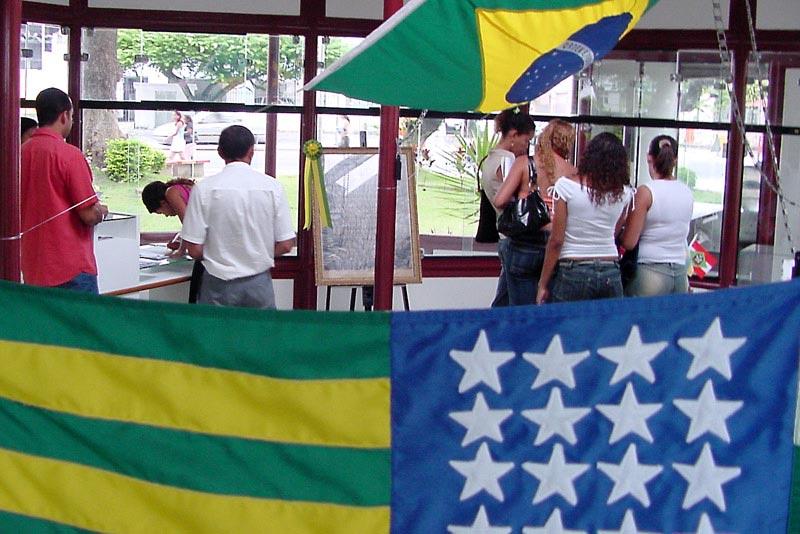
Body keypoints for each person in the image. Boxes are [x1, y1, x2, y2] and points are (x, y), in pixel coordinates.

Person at [181, 125, 295, 309]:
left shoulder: (203, 189)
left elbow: (193, 249)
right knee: (261, 328)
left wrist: (220, 255)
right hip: (259, 284)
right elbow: (286, 244)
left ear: (220, 152)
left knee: (215, 328)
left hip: (217, 283)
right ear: (252, 151)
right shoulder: (273, 187)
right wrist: (256, 254)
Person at [20, 87, 108, 293]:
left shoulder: (20, 153)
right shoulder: (69, 155)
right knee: (81, 316)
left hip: (33, 265)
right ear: (64, 116)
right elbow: (88, 214)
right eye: (72, 116)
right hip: (71, 266)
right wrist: (101, 211)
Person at [537, 132, 634, 304]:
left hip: (573, 268)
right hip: (610, 268)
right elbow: (614, 232)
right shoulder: (625, 194)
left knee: (568, 322)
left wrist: (543, 284)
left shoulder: (566, 187)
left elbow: (556, 240)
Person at [491, 119, 578, 305]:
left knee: (520, 311)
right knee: (546, 308)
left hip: (524, 243)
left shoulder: (525, 163)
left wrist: (521, 199)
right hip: (556, 246)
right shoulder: (573, 173)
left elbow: (499, 200)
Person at [621, 135, 693, 296]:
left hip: (649, 271)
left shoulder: (645, 192)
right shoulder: (687, 192)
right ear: (675, 160)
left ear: (649, 158)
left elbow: (629, 242)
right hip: (680, 273)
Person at [479, 108, 536, 307]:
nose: (526, 146)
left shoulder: (490, 159)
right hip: (514, 238)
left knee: (504, 299)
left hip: (504, 236)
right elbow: (513, 196)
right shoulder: (508, 161)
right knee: (518, 303)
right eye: (526, 140)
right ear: (513, 135)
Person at [141, 178, 204, 303]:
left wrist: (181, 250)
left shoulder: (172, 193)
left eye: (161, 212)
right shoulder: (182, 189)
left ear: (163, 203)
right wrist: (181, 245)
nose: (166, 215)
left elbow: (188, 225)